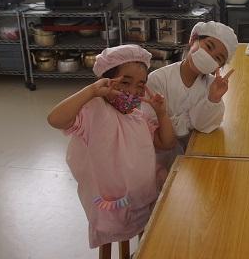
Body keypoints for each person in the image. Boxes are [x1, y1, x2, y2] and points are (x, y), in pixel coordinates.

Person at [46, 45, 176, 249]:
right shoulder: (93, 113)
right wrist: (91, 92)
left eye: (140, 85)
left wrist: (161, 113)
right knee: (112, 236)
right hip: (112, 205)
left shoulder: (139, 117)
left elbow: (167, 143)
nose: (133, 91)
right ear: (105, 81)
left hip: (142, 198)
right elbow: (55, 119)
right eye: (125, 82)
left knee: (146, 240)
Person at [147, 21, 238, 154]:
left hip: (195, 153)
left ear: (218, 66)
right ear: (193, 39)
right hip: (159, 156)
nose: (209, 56)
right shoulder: (158, 80)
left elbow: (204, 126)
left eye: (218, 58)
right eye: (208, 46)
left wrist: (213, 99)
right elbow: (149, 128)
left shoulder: (212, 86)